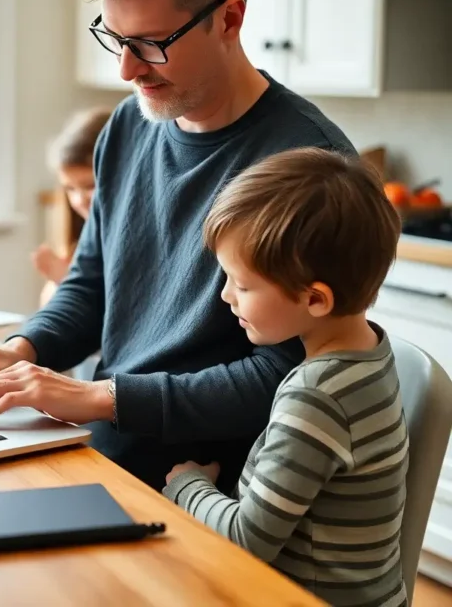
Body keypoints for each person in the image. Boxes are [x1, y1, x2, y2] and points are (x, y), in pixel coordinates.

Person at [0, 0, 357, 492]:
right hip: (102, 444)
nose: (125, 69)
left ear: (230, 18)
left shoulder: (309, 167)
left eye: (148, 42)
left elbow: (289, 376)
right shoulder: (127, 127)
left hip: (208, 486)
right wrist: (20, 349)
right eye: (112, 38)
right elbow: (91, 286)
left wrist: (98, 395)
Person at [164, 148, 407, 606]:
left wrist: (187, 485)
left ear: (315, 300)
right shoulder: (370, 352)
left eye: (243, 284)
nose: (225, 296)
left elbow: (245, 542)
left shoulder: (317, 396)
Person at [32, 107, 112, 307]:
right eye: (70, 189)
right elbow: (46, 309)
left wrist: (70, 283)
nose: (79, 200)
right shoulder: (79, 241)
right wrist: (61, 282)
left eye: (90, 186)